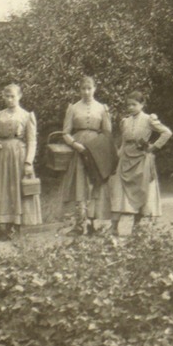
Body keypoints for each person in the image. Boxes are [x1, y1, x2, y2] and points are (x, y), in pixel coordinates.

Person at [0, 83, 41, 239]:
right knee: (2, 189)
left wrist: (28, 162)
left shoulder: (26, 116)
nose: (9, 99)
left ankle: (17, 225)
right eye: (7, 96)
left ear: (19, 96)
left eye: (13, 96)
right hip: (1, 157)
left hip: (19, 156)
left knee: (17, 190)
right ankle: (1, 226)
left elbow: (32, 141)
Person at [107, 91, 172, 237]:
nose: (130, 107)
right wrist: (117, 159)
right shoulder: (125, 121)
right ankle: (114, 227)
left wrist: (153, 147)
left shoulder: (149, 119)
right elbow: (123, 143)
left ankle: (136, 227)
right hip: (125, 159)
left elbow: (167, 132)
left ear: (142, 105)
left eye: (134, 104)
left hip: (141, 159)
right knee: (118, 190)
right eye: (128, 105)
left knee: (141, 191)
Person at [59, 76, 116, 235]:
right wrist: (75, 144)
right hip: (79, 150)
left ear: (95, 89)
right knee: (80, 185)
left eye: (89, 88)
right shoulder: (73, 108)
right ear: (79, 90)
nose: (86, 92)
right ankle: (79, 225)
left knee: (96, 184)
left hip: (96, 151)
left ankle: (94, 224)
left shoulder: (101, 108)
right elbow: (65, 132)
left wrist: (98, 147)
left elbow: (107, 132)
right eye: (83, 88)